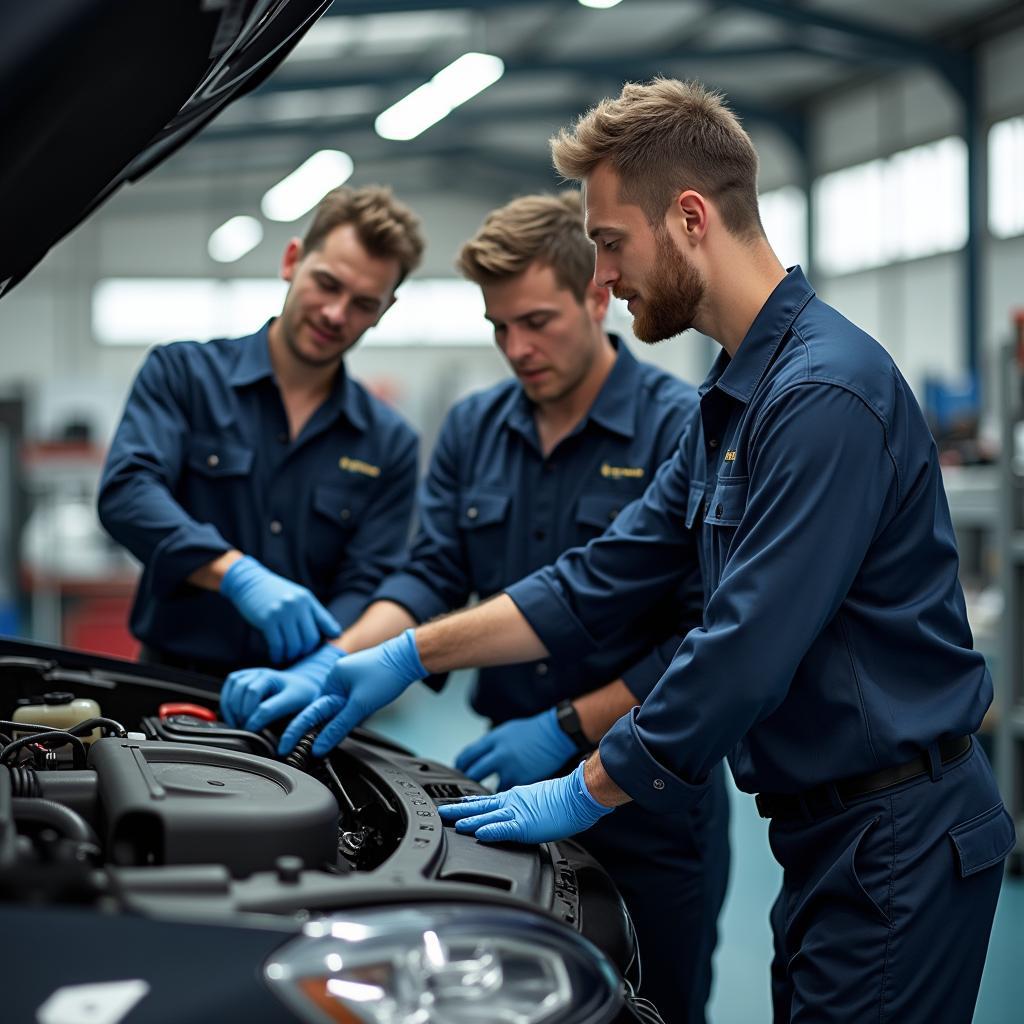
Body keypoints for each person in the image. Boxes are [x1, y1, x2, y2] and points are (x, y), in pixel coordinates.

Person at [276, 80, 1015, 1023]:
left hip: (896, 833)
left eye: (612, 241)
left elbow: (744, 644)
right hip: (827, 829)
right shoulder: (734, 402)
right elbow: (599, 578)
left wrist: (589, 780)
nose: (608, 274)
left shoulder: (823, 396)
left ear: (691, 218)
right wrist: (402, 655)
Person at [223, 192, 729, 1024]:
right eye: (499, 327)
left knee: (654, 1007)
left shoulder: (682, 429)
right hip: (500, 790)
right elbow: (428, 573)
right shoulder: (472, 428)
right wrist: (338, 660)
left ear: (598, 297)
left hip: (649, 800)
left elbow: (701, 637)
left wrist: (571, 728)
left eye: (537, 321)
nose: (516, 349)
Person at [98, 185, 424, 686]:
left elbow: (371, 579)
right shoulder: (183, 374)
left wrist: (324, 665)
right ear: (292, 260)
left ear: (386, 308)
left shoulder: (389, 441)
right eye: (327, 284)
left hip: (302, 690)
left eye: (363, 303)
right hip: (171, 681)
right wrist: (233, 573)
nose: (336, 314)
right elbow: (127, 492)